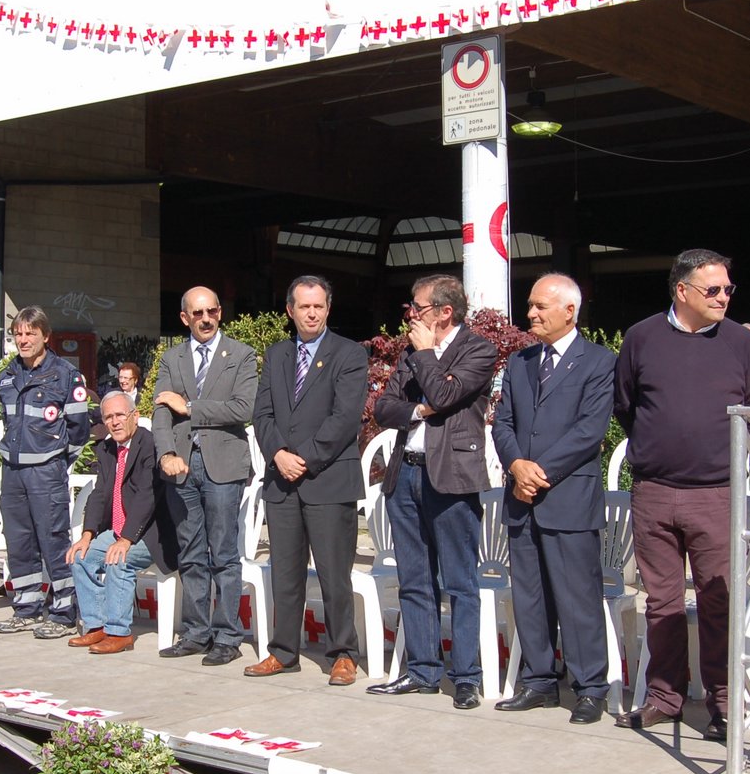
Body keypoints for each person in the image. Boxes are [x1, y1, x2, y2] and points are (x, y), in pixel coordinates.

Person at [614, 249, 750, 740]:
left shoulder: (742, 342)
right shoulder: (641, 337)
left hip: (716, 493)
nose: (724, 297)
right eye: (713, 290)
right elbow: (627, 406)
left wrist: (712, 454)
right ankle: (664, 697)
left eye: (728, 289)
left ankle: (724, 704)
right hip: (654, 492)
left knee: (719, 600)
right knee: (661, 602)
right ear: (682, 291)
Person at [491, 273, 616, 725]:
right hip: (521, 497)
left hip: (567, 497)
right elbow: (502, 422)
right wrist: (516, 466)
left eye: (541, 306)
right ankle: (539, 680)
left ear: (570, 310)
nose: (531, 314)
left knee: (577, 597)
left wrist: (538, 472)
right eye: (530, 305)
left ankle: (590, 688)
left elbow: (590, 430)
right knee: (529, 595)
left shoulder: (599, 362)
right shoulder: (520, 361)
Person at [367, 274, 496, 709]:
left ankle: (465, 676)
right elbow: (384, 407)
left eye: (417, 308)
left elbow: (445, 391)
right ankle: (422, 670)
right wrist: (419, 409)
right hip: (406, 473)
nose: (411, 315)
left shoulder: (478, 349)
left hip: (453, 477)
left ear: (444, 312)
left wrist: (425, 356)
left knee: (459, 582)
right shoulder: (410, 352)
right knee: (414, 580)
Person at [246, 275, 369, 686]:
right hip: (282, 482)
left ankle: (343, 654)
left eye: (318, 306)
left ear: (328, 309)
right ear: (290, 311)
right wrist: (278, 454)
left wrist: (304, 457)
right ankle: (283, 652)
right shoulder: (277, 354)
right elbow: (262, 414)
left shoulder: (348, 354)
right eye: (304, 306)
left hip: (328, 480)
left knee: (335, 575)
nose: (312, 313)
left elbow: (345, 418)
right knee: (285, 573)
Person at [154, 286, 258, 667]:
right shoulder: (171, 358)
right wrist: (165, 452)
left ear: (219, 313)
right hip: (181, 464)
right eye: (197, 313)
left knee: (224, 553)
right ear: (185, 318)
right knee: (191, 552)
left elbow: (243, 407)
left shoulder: (241, 355)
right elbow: (161, 411)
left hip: (223, 465)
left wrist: (192, 407)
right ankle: (196, 633)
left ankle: (228, 636)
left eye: (211, 310)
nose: (205, 318)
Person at [0, 306, 90, 638]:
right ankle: (27, 608)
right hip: (13, 470)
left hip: (46, 472)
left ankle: (63, 612)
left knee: (53, 539)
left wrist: (58, 461)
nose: (23, 339)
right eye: (18, 333)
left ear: (45, 336)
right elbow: (9, 423)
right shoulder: (7, 376)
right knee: (19, 541)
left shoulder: (66, 375)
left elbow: (79, 430)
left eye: (30, 333)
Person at [65, 391, 171, 654]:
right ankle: (96, 625)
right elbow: (99, 493)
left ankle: (119, 632)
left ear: (134, 416)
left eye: (120, 415)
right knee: (80, 557)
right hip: (118, 530)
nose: (114, 422)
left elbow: (148, 495)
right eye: (108, 417)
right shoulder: (106, 449)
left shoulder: (150, 444)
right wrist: (87, 534)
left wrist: (126, 539)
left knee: (118, 559)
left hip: (151, 533)